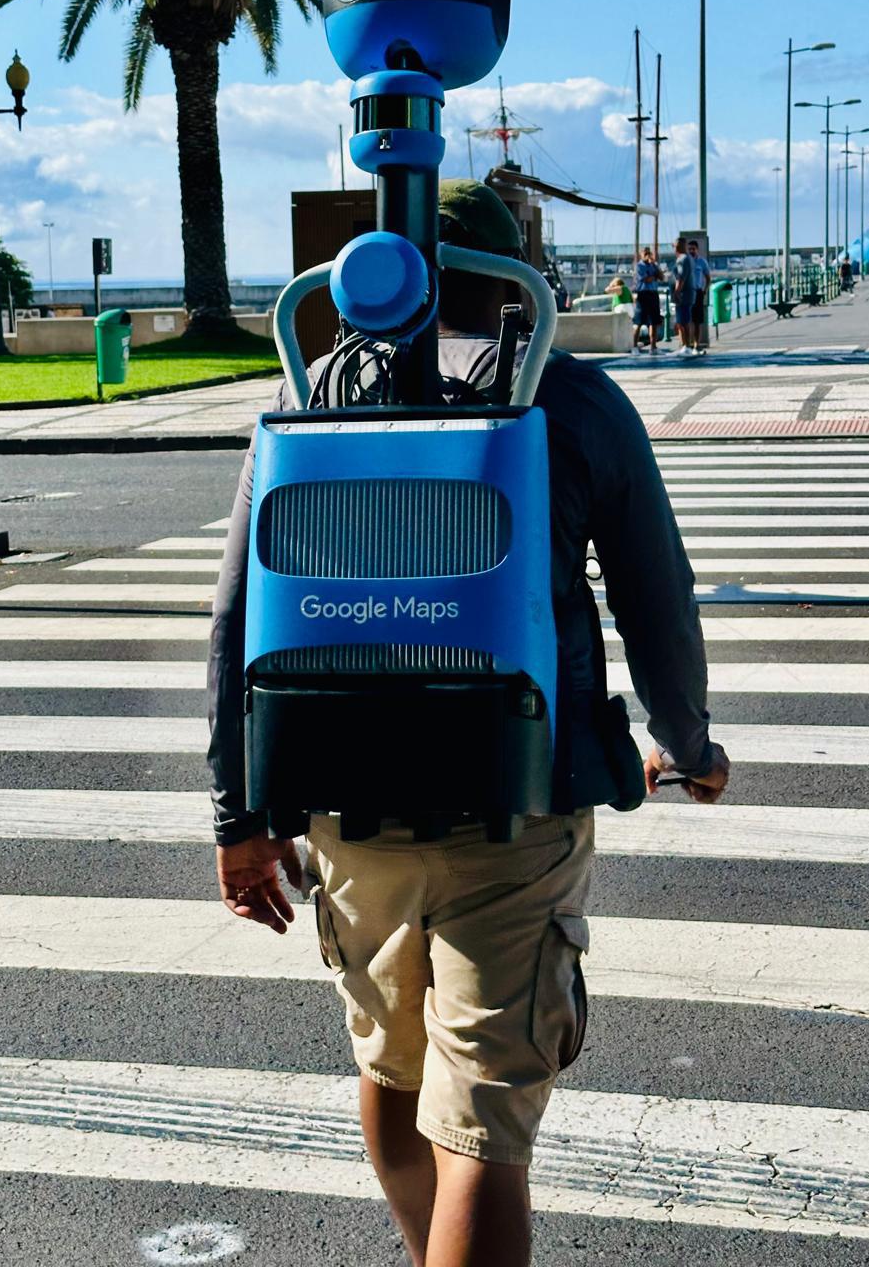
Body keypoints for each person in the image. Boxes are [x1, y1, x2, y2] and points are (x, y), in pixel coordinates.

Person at [208, 180, 728, 1267]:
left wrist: (238, 818)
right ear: (514, 280)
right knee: (484, 1127)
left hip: (345, 812)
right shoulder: (570, 402)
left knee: (395, 1082)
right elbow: (653, 597)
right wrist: (689, 744)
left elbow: (238, 619)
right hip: (514, 813)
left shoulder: (312, 399)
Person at [631, 245, 663, 353]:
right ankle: (634, 346)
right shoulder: (639, 266)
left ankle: (653, 347)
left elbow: (662, 277)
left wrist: (655, 265)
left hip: (653, 293)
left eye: (649, 253)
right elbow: (646, 279)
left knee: (653, 322)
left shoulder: (653, 265)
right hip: (643, 294)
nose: (647, 255)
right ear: (641, 254)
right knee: (639, 322)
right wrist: (654, 277)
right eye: (645, 253)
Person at [687, 237, 711, 353]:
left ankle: (696, 344)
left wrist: (705, 289)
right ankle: (687, 344)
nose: (691, 251)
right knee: (687, 320)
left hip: (698, 292)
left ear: (697, 249)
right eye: (689, 249)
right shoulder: (686, 261)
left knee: (697, 320)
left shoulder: (702, 262)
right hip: (687, 293)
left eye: (693, 249)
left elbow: (708, 278)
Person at [671, 235, 694, 352]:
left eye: (675, 246)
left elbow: (680, 278)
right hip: (688, 293)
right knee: (684, 320)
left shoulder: (682, 259)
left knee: (681, 321)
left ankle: (686, 345)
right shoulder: (688, 258)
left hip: (683, 294)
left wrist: (676, 292)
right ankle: (686, 345)